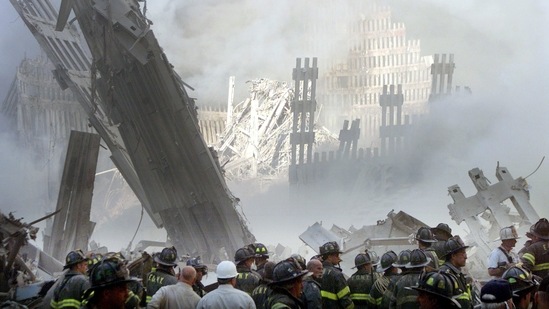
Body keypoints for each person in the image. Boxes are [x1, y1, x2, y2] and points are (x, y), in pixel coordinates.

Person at [318, 241, 354, 309]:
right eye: (337, 255)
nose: (339, 258)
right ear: (329, 256)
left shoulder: (317, 272)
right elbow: (345, 300)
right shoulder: (336, 274)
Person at [440, 236, 473, 309]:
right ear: (453, 256)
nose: (466, 257)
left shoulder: (456, 273)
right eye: (463, 253)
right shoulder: (445, 275)